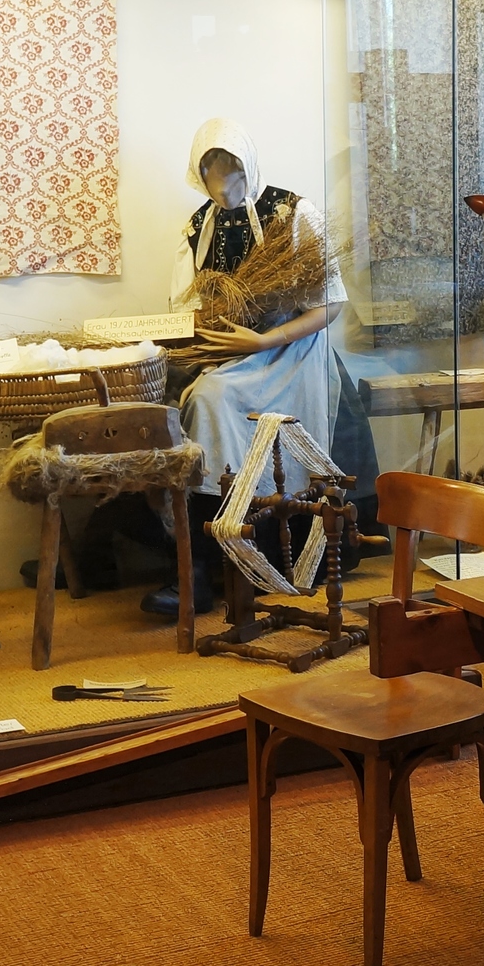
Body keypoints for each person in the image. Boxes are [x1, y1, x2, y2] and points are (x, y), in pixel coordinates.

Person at [141, 119, 375, 618]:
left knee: (211, 399)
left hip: (289, 350)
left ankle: (210, 563)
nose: (222, 184)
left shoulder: (292, 213)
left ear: (247, 165)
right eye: (211, 173)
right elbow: (187, 309)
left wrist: (263, 338)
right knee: (165, 403)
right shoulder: (197, 229)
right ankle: (197, 555)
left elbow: (330, 304)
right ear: (199, 176)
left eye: (231, 170)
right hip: (229, 352)